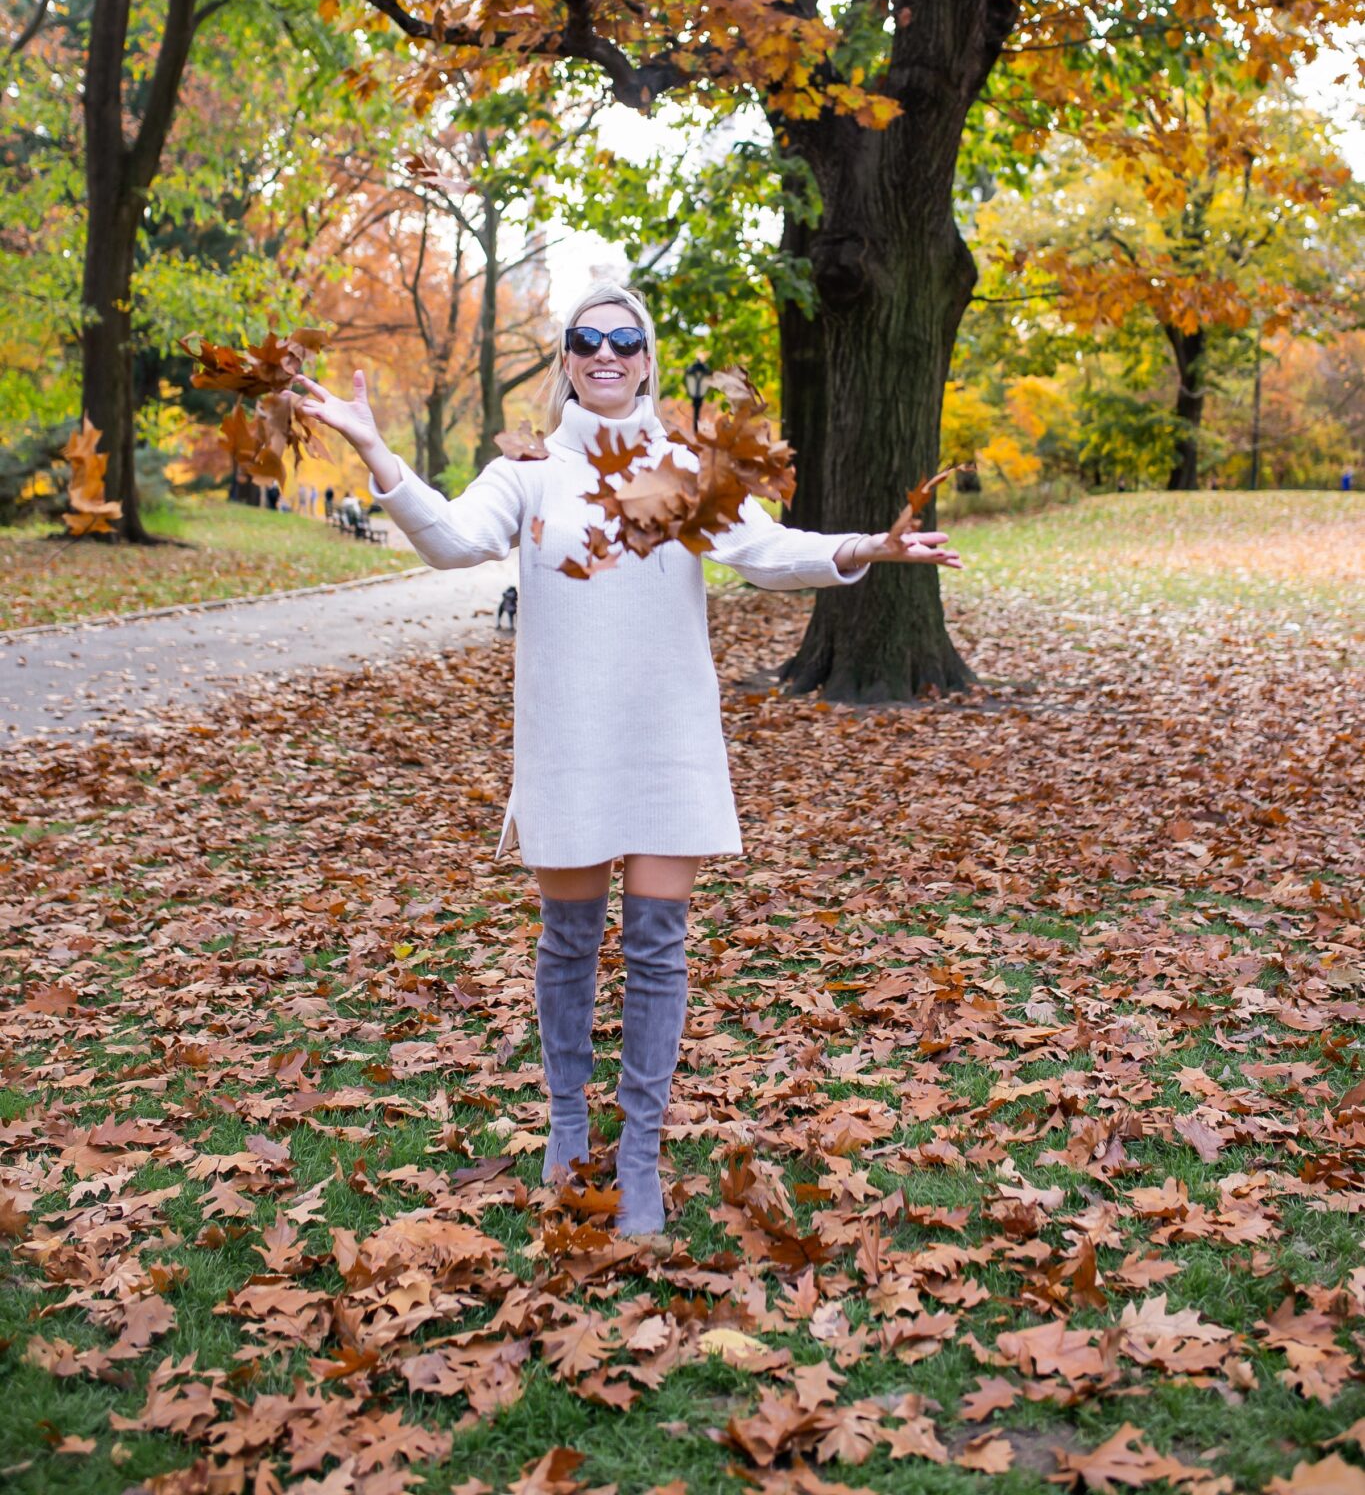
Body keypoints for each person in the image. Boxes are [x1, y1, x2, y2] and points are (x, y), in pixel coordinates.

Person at [295, 281, 962, 1238]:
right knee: (567, 945)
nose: (604, 352)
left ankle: (640, 1154)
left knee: (656, 947)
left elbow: (766, 553)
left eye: (623, 339)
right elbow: (450, 542)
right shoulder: (526, 471)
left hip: (665, 738)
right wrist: (373, 448)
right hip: (568, 738)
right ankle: (568, 1125)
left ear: (647, 359)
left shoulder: (685, 467)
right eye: (584, 339)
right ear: (565, 359)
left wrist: (869, 546)